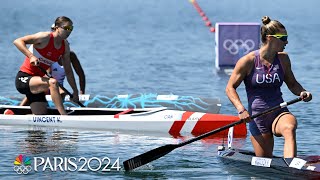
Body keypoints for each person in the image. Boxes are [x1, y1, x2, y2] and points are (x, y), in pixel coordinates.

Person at [225, 16, 312, 158]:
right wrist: (241, 110)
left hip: (279, 111)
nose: (287, 42)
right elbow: (230, 88)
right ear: (270, 38)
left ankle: (291, 169)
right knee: (264, 159)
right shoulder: (248, 61)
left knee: (289, 127)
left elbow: (292, 84)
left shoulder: (283, 59)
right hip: (257, 117)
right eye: (283, 38)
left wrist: (303, 92)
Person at [14, 16, 79, 115]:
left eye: (71, 29)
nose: (69, 31)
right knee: (53, 82)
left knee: (40, 117)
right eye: (66, 28)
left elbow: (69, 71)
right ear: (57, 27)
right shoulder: (44, 37)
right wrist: (31, 56)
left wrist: (75, 91)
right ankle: (64, 116)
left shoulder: (65, 46)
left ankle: (11, 114)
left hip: (38, 82)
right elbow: (18, 41)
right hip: (24, 78)